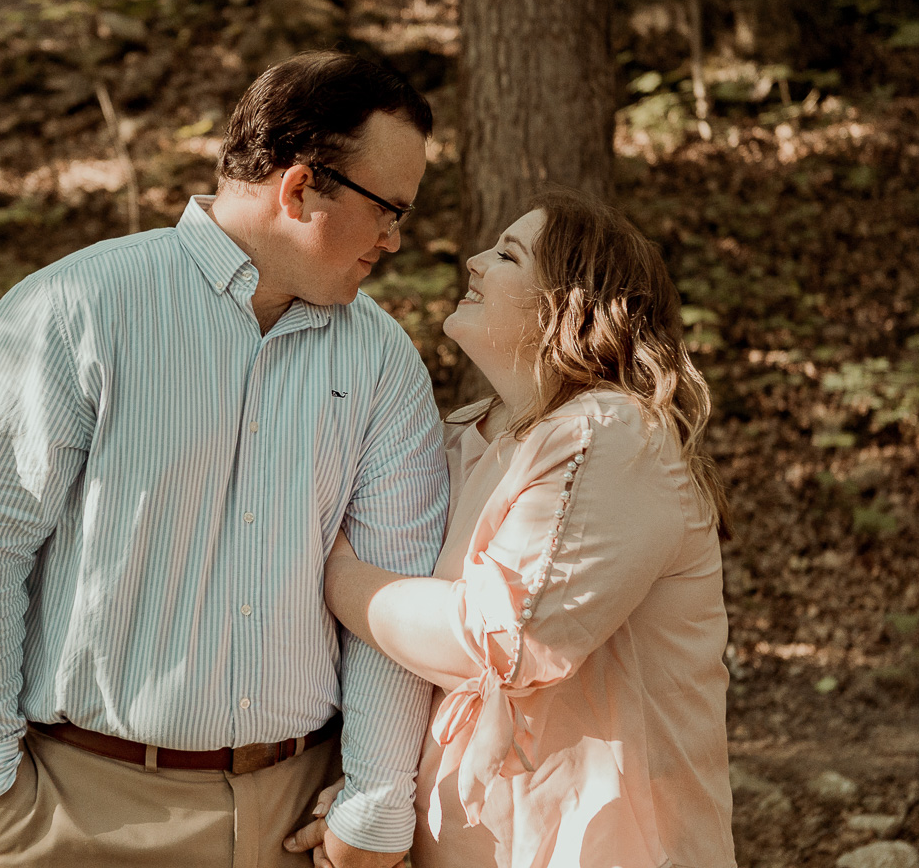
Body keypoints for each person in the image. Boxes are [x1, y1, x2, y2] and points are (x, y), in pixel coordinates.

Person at [0, 51, 450, 868]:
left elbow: (393, 583)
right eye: (388, 209)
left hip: (300, 815)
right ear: (300, 187)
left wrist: (374, 803)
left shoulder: (382, 360)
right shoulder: (76, 311)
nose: (395, 238)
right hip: (83, 810)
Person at [287, 192, 738, 868]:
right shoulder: (469, 436)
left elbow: (507, 638)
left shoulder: (614, 435)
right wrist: (371, 793)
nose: (471, 262)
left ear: (573, 301)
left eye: (507, 254)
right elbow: (420, 653)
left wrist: (336, 575)